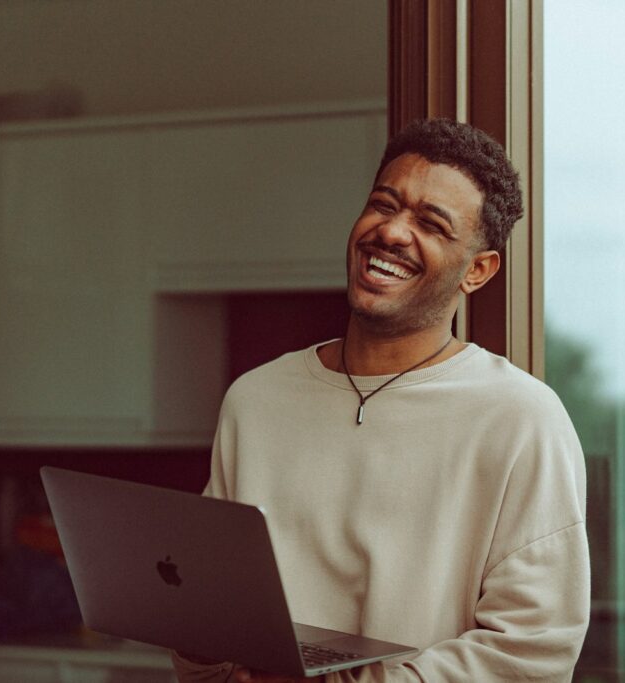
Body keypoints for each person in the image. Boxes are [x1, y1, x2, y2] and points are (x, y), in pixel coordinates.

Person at [172, 118, 589, 682]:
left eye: (431, 224)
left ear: (479, 270)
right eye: (383, 204)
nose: (392, 232)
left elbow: (532, 652)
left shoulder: (522, 419)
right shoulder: (256, 399)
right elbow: (209, 622)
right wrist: (200, 647)